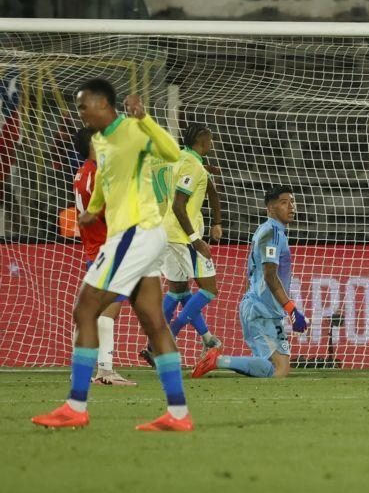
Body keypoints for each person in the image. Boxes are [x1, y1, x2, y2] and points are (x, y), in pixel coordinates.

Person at [32, 79, 191, 430]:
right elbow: (106, 181)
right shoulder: (100, 141)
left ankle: (75, 406)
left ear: (104, 103)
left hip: (136, 232)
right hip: (138, 236)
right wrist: (92, 209)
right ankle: (178, 414)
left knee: (85, 309)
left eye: (83, 105)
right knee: (153, 322)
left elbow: (173, 153)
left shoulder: (133, 130)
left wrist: (146, 118)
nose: (80, 112)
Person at [192, 186, 307, 379]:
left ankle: (220, 362)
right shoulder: (272, 233)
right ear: (270, 209)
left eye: (292, 202)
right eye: (284, 203)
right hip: (262, 310)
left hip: (261, 308)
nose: (291, 207)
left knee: (279, 367)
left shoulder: (265, 230)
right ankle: (217, 360)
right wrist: (291, 309)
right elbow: (270, 275)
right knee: (279, 370)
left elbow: (252, 272)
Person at [72, 128, 136, 387]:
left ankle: (86, 368)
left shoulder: (83, 171)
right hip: (106, 248)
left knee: (95, 310)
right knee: (108, 311)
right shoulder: (97, 174)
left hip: (96, 247)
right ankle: (105, 371)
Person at [160, 123, 224, 353]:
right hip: (182, 236)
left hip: (168, 233)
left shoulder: (180, 159)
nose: (212, 143)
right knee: (209, 289)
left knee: (178, 291)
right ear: (203, 141)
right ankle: (166, 337)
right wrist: (196, 239)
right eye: (211, 139)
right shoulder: (193, 166)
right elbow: (179, 205)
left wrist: (216, 222)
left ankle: (204, 338)